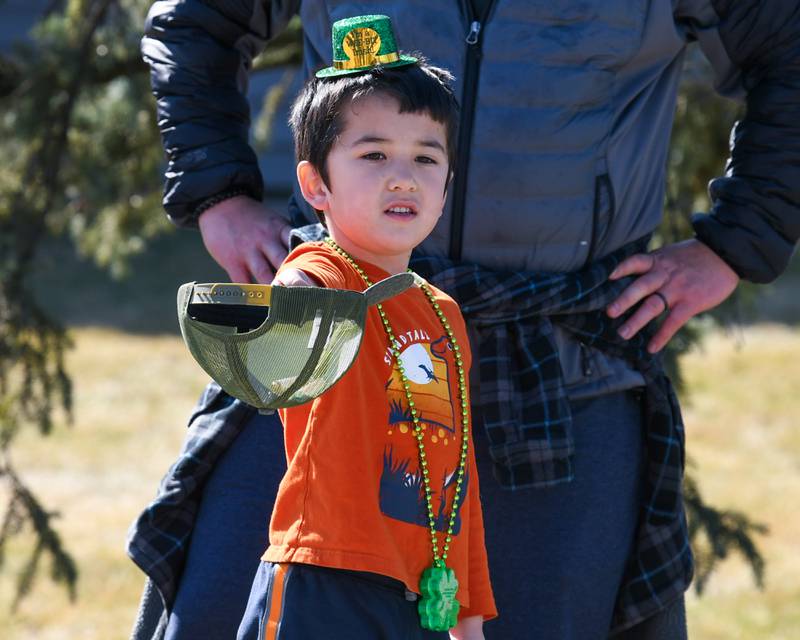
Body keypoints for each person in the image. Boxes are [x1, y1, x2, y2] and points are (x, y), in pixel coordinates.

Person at [128, 2, 800, 639]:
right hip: (335, 335)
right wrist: (218, 191)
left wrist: (739, 240)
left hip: (564, 373)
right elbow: (196, 20)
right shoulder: (313, 295)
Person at [231, 15, 495, 638]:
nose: (403, 175)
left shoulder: (442, 315)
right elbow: (295, 299)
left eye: (425, 158)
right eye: (373, 154)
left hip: (419, 597)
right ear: (315, 184)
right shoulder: (324, 271)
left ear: (446, 184)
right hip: (322, 578)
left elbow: (457, 475)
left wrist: (469, 614)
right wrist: (285, 308)